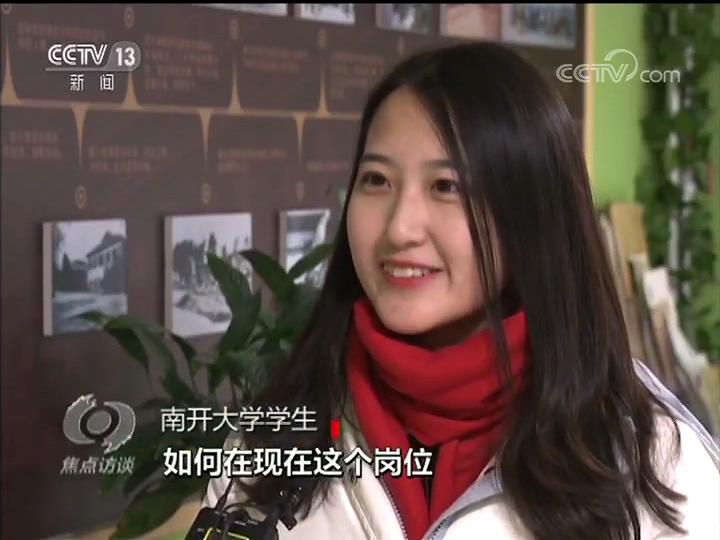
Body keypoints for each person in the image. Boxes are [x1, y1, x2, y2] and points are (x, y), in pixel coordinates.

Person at [203, 43, 719, 540]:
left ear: (534, 214)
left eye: (446, 187)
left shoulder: (653, 463)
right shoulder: (273, 439)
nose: (400, 227)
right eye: (377, 180)